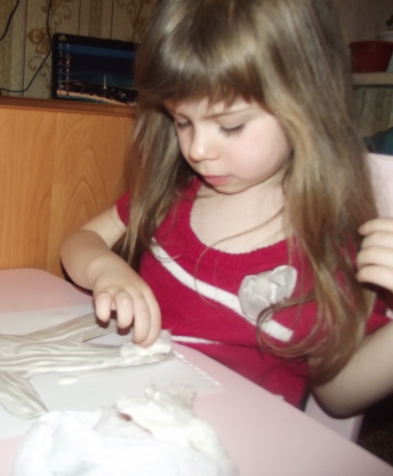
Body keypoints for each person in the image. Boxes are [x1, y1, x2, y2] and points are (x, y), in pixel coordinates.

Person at [60, 0, 393, 417]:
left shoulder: (327, 249)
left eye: (230, 126)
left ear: (308, 107)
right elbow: (82, 241)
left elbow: (338, 398)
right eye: (182, 121)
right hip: (133, 406)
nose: (197, 149)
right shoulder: (173, 196)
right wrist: (105, 269)